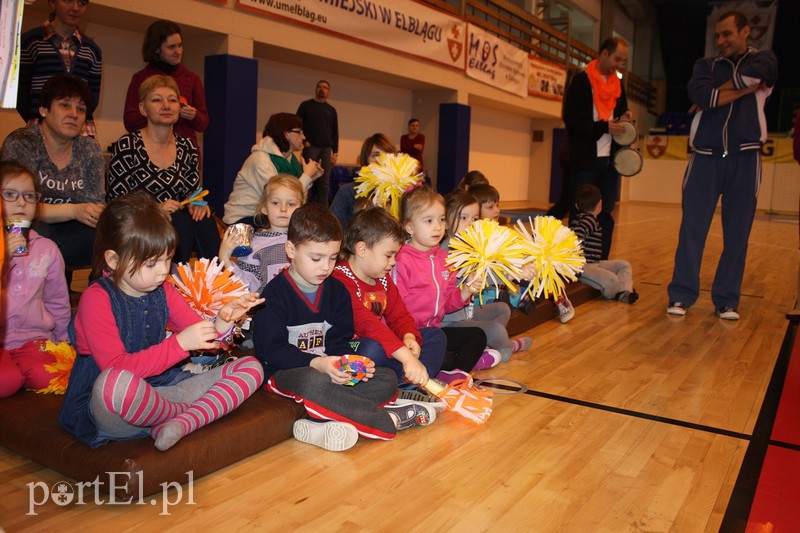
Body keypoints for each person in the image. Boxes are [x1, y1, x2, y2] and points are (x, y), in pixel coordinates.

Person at [59, 191, 265, 450]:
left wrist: (223, 322)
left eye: (167, 259)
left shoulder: (164, 290)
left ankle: (179, 422)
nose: (163, 271)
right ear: (113, 259)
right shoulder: (96, 299)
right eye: (151, 263)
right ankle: (190, 413)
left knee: (252, 368)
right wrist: (179, 345)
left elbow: (205, 345)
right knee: (114, 384)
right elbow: (115, 368)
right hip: (111, 407)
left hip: (161, 391)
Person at [254, 203, 436, 452]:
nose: (325, 267)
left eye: (331, 258)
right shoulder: (274, 295)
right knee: (314, 383)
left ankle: (321, 421)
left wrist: (349, 364)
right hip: (287, 373)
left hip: (329, 372)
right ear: (291, 250)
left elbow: (339, 342)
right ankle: (389, 419)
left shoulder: (336, 291)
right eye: (316, 258)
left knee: (385, 378)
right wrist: (318, 364)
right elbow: (271, 352)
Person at [667, 11, 778, 320]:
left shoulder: (766, 59)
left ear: (745, 32)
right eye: (717, 36)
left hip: (746, 157)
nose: (721, 41)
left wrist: (723, 92)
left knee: (737, 234)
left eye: (727, 34)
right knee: (692, 230)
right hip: (704, 157)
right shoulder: (706, 66)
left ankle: (726, 299)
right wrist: (742, 90)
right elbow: (705, 96)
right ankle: (681, 295)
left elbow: (725, 91)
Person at [108, 75, 220, 264]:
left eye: (172, 100)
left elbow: (191, 191)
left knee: (205, 219)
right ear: (143, 109)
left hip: (176, 218)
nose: (166, 105)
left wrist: (196, 203)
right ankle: (172, 287)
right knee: (180, 222)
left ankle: (215, 283)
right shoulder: (128, 145)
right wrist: (155, 209)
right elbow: (117, 203)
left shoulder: (187, 146)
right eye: (157, 100)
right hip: (137, 222)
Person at [1, 75, 105, 274]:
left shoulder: (89, 148)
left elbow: (95, 207)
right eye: (65, 105)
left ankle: (98, 298)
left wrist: (87, 212)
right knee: (38, 233)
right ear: (44, 110)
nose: (74, 114)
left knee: (108, 236)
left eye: (81, 109)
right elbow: (14, 206)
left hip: (72, 229)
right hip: (26, 224)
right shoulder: (23, 142)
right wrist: (74, 210)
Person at [333, 207, 446, 384]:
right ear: (362, 249)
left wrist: (408, 336)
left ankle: (412, 381)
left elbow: (400, 315)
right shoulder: (339, 279)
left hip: (385, 346)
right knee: (371, 349)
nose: (393, 262)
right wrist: (406, 357)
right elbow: (367, 324)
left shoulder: (383, 279)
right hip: (349, 349)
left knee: (435, 336)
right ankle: (409, 379)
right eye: (388, 255)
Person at [393, 186, 487, 382]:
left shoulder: (445, 258)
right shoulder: (401, 259)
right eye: (429, 221)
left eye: (441, 219)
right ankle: (432, 372)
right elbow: (395, 306)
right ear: (409, 227)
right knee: (440, 348)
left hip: (434, 331)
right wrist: (407, 335)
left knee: (477, 336)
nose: (437, 227)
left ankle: (456, 374)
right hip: (407, 334)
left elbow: (448, 303)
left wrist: (466, 290)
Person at [0, 161, 70, 397]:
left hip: (33, 338)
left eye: (29, 195)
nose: (22, 202)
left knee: (51, 375)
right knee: (7, 381)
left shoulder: (47, 249)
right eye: (10, 194)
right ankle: (14, 372)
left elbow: (57, 300)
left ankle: (20, 369)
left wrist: (63, 341)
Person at [441, 189, 532, 364]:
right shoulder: (449, 249)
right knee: (496, 330)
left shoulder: (467, 245)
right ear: (445, 221)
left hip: (465, 315)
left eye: (474, 219)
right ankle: (506, 347)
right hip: (449, 322)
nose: (470, 224)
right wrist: (513, 273)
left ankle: (490, 346)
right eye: (463, 218)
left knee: (503, 309)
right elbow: (480, 277)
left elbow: (486, 269)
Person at [563, 36, 632, 260]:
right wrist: (604, 127)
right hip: (585, 161)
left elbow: (622, 111)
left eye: (623, 61)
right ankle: (574, 263)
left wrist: (625, 117)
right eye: (617, 59)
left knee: (606, 213)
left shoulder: (618, 85)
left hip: (610, 161)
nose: (619, 65)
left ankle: (601, 261)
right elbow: (572, 120)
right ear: (603, 53)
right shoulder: (581, 81)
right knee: (580, 214)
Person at [17, 0, 102, 137]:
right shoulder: (30, 42)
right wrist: (43, 118)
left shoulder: (92, 50)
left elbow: (92, 99)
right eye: (68, 1)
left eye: (81, 3)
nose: (75, 8)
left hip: (82, 132)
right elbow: (21, 96)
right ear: (52, 3)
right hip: (41, 131)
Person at [123, 20, 209, 155]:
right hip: (150, 153)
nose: (178, 51)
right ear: (157, 49)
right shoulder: (140, 78)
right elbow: (130, 122)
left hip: (185, 155)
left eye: (180, 45)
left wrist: (193, 115)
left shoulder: (192, 79)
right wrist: (155, 112)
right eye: (172, 47)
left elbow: (203, 124)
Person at [223, 113, 322, 226]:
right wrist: (307, 176)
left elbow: (296, 201)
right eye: (299, 132)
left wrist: (310, 178)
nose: (303, 137)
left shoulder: (290, 160)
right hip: (244, 220)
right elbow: (279, 195)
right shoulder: (260, 160)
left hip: (267, 217)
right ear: (286, 134)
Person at [219, 174, 303, 294]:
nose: (283, 209)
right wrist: (225, 259)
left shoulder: (306, 241)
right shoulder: (255, 246)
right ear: (264, 207)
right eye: (275, 203)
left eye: (291, 204)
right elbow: (246, 286)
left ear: (301, 208)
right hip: (270, 308)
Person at [570, 184, 638, 304]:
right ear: (600, 204)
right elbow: (577, 237)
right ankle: (620, 292)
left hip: (595, 264)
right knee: (612, 279)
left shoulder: (584, 219)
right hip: (584, 268)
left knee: (623, 265)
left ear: (576, 205)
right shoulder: (587, 220)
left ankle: (624, 292)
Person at [329, 133, 397, 228]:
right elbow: (333, 230)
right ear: (366, 160)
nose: (381, 160)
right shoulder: (347, 192)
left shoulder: (402, 194)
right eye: (375, 155)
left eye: (387, 155)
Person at [296, 80, 338, 206]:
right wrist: (305, 141)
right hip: (311, 148)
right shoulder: (306, 106)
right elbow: (297, 124)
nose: (322, 89)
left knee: (324, 182)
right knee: (307, 178)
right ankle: (303, 207)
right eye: (319, 87)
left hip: (326, 149)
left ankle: (323, 210)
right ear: (315, 89)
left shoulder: (331, 110)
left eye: (325, 87)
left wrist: (335, 152)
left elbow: (335, 131)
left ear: (328, 92)